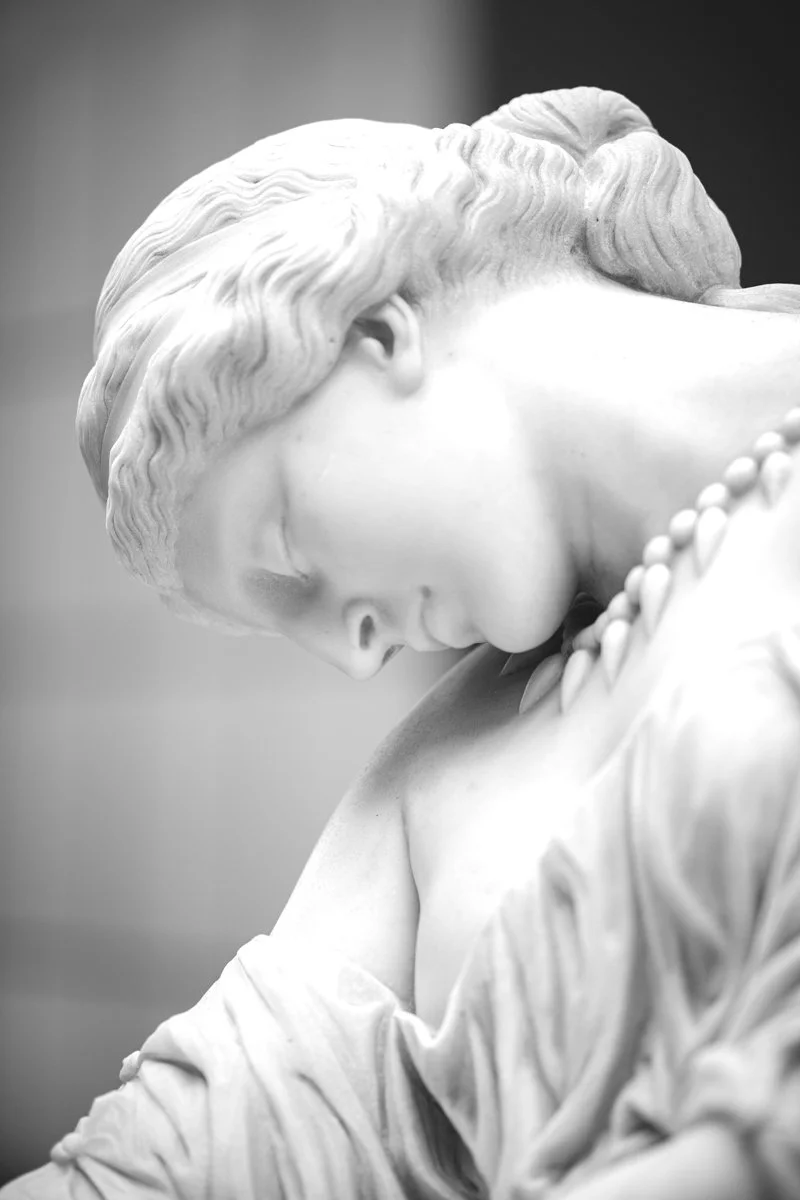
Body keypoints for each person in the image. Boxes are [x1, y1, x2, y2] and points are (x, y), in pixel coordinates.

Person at [5, 86, 800, 1198]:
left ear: (379, 329)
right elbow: (171, 1163)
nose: (356, 656)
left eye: (290, 559)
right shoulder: (446, 753)